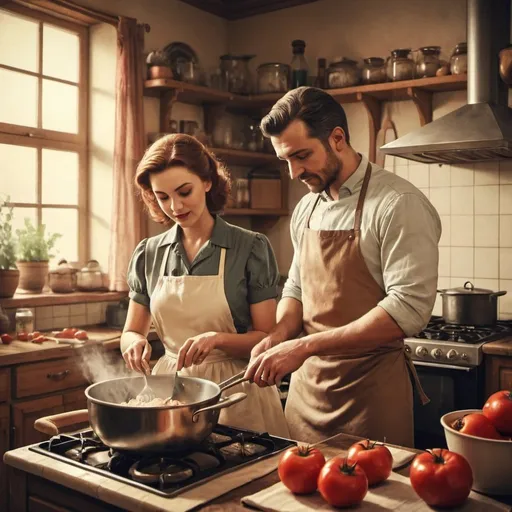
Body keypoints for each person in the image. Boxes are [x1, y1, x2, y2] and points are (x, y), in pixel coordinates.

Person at [245, 87, 441, 447]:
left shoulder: (399, 204)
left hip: (372, 394)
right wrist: (279, 336)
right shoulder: (306, 208)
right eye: (285, 160)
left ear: (337, 138)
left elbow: (407, 310)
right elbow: (297, 286)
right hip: (308, 394)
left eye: (302, 156)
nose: (293, 172)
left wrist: (304, 347)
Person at [121, 133, 289, 437]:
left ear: (208, 182)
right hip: (171, 394)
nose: (175, 206)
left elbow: (266, 338)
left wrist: (217, 339)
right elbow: (132, 330)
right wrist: (133, 344)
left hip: (237, 393)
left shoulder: (249, 247)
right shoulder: (148, 253)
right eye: (162, 197)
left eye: (184, 191)